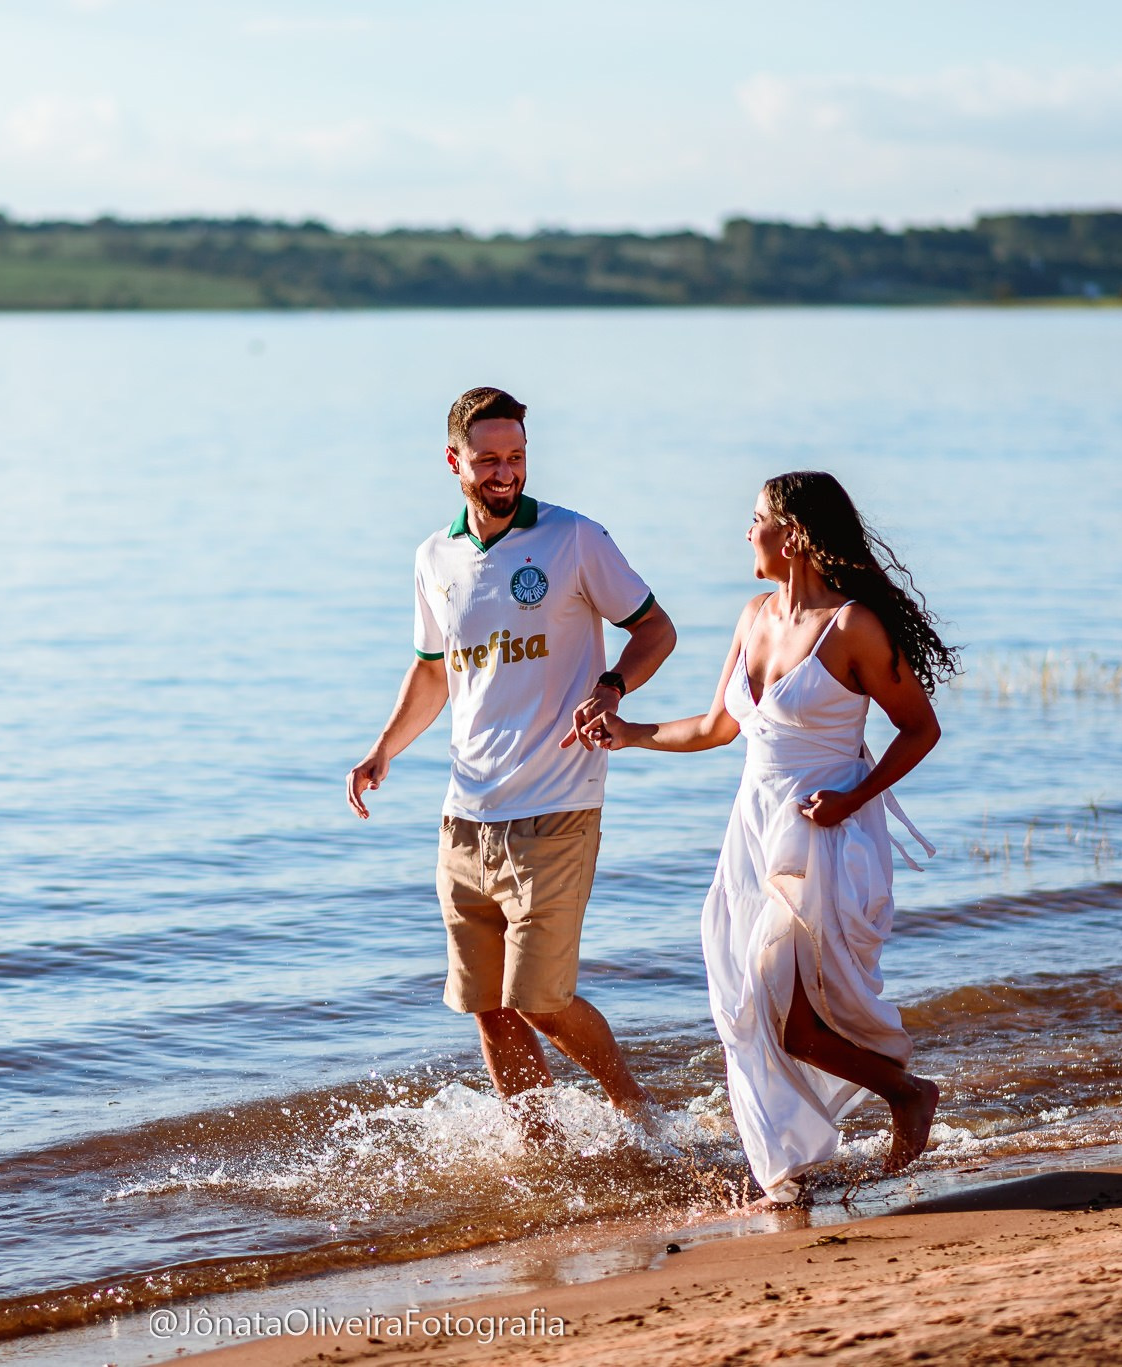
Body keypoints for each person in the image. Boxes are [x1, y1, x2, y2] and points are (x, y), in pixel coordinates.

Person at [587, 471, 957, 1203]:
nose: (745, 532)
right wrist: (629, 734)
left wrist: (854, 795)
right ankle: (794, 1165)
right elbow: (717, 727)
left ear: (793, 535)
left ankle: (907, 1094)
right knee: (756, 1007)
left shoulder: (853, 626)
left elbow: (921, 728)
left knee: (772, 995)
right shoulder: (753, 615)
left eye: (755, 519)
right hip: (754, 832)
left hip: (826, 837)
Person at [345, 386, 677, 1136]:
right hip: (464, 817)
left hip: (558, 805)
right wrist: (382, 749)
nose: (505, 472)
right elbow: (434, 669)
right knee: (489, 1005)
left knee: (542, 999)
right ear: (454, 460)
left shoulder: (573, 539)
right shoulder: (435, 556)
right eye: (489, 458)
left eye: (517, 457)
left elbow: (656, 628)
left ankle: (640, 1115)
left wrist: (612, 686)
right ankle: (542, 1150)